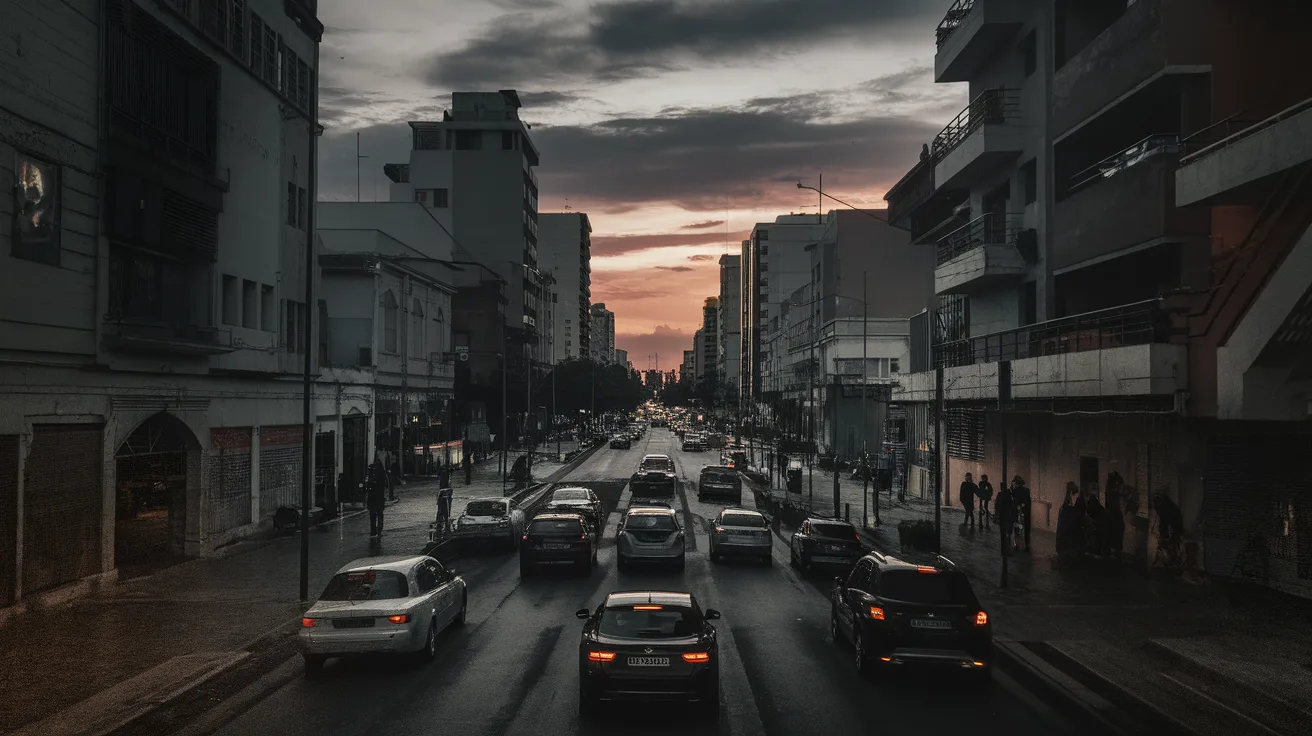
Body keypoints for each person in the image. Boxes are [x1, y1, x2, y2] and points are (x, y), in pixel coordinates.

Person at [366, 460, 387, 537]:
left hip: (372, 498)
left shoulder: (371, 475)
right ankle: (379, 530)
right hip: (379, 498)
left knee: (372, 515)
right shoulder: (382, 474)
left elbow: (368, 486)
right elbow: (385, 484)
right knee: (380, 514)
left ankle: (373, 531)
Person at [1012, 475, 1032, 552]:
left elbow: (1015, 501)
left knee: (1017, 528)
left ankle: (1017, 544)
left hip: (1019, 512)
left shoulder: (1015, 491)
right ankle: (1026, 544)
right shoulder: (1026, 491)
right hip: (1024, 512)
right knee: (1025, 528)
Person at [996, 479, 1015, 551]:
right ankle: (1007, 536)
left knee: (1006, 525)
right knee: (1007, 525)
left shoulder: (1004, 494)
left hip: (1005, 512)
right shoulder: (1006, 494)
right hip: (1005, 512)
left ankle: (1007, 536)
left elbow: (998, 504)